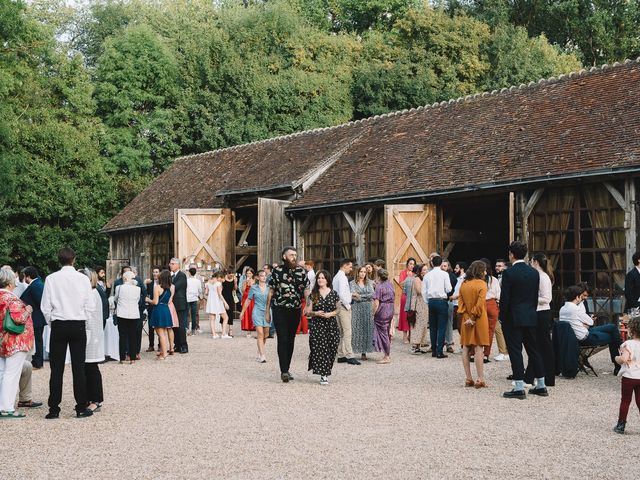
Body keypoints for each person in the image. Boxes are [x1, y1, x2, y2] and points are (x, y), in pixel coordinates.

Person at [41, 247, 95, 418]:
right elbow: (90, 305)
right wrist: (83, 319)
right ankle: (80, 406)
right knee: (79, 367)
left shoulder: (51, 279)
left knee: (56, 368)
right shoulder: (83, 279)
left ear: (59, 260)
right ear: (74, 259)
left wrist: (53, 321)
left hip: (59, 324)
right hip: (77, 323)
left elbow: (45, 306)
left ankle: (54, 409)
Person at [500, 241, 547, 399]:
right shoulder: (534, 273)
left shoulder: (509, 273)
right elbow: (534, 297)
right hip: (530, 315)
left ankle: (519, 386)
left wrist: (502, 317)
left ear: (511, 254)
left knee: (515, 351)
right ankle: (541, 384)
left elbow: (505, 298)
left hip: (513, 317)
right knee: (534, 350)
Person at [265, 247, 310, 383]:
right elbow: (271, 291)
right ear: (284, 256)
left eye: (295, 255)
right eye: (291, 255)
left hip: (295, 309)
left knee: (291, 339)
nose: (294, 257)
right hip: (279, 309)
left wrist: (308, 305)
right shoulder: (277, 271)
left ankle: (287, 368)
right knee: (282, 338)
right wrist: (267, 311)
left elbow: (306, 289)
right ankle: (283, 370)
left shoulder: (302, 271)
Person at [559, 285, 622, 374]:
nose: (582, 299)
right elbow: (590, 322)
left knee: (612, 327)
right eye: (581, 296)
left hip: (577, 335)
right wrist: (587, 321)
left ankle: (621, 358)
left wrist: (583, 322)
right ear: (577, 297)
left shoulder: (562, 309)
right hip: (585, 337)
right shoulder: (575, 309)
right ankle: (621, 358)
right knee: (613, 336)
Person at [0, 268, 34, 418]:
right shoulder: (11, 298)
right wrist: (28, 310)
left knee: (3, 373)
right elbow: (18, 319)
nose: (15, 279)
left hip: (3, 340)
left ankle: (2, 405)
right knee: (12, 374)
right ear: (8, 282)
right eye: (13, 277)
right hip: (16, 341)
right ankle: (7, 408)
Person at [524, 253, 555, 386]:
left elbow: (547, 298)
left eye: (531, 262)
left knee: (543, 345)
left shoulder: (543, 277)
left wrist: (530, 299)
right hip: (538, 312)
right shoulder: (539, 276)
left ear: (536, 262)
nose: (531, 264)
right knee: (536, 345)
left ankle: (547, 377)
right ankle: (531, 376)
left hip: (542, 313)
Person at [457, 261, 489, 389]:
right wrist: (473, 317)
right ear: (480, 271)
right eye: (484, 270)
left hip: (465, 317)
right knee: (478, 348)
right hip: (479, 318)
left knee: (465, 347)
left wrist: (467, 316)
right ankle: (480, 378)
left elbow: (460, 303)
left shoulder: (464, 284)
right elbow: (480, 304)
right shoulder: (482, 284)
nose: (486, 272)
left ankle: (468, 378)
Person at [305, 271, 340, 385]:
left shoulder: (334, 294)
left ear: (327, 280)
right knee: (321, 349)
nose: (320, 280)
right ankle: (324, 374)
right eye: (319, 278)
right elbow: (307, 312)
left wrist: (330, 314)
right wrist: (316, 313)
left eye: (323, 278)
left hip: (331, 325)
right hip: (317, 325)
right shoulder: (313, 294)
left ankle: (326, 369)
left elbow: (338, 309)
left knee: (332, 349)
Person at [81, 269, 104, 412]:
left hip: (92, 335)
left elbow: (88, 316)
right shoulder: (89, 293)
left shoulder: (93, 294)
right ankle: (88, 397)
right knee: (85, 368)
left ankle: (96, 400)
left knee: (91, 367)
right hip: (87, 334)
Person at [613, 316, 640, 434]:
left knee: (625, 400)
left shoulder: (628, 344)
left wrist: (616, 358)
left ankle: (621, 425)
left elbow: (624, 359)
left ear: (631, 330)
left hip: (629, 376)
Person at [423, 256, 452, 358]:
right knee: (441, 327)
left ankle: (434, 350)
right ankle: (439, 351)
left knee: (433, 327)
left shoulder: (427, 275)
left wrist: (427, 301)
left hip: (431, 301)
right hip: (441, 301)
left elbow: (424, 291)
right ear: (440, 264)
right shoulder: (444, 274)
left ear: (432, 263)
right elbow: (448, 289)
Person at [333, 259, 360, 366]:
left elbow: (339, 292)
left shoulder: (336, 277)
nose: (351, 269)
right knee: (347, 331)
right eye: (350, 267)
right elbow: (343, 294)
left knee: (341, 332)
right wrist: (348, 305)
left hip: (337, 305)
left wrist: (351, 294)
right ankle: (349, 355)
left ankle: (340, 355)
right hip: (343, 306)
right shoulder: (342, 277)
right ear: (345, 266)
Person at [240, 270, 271, 363]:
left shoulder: (270, 288)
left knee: (266, 334)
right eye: (262, 276)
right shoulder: (253, 288)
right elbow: (248, 300)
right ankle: (262, 355)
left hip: (267, 312)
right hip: (257, 311)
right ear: (257, 277)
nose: (264, 277)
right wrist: (242, 312)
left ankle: (259, 351)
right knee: (260, 334)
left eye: (265, 276)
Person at [20, 266, 45, 369]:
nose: (24, 278)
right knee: (38, 340)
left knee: (38, 340)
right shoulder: (36, 284)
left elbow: (40, 302)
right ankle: (37, 360)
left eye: (25, 276)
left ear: (28, 276)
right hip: (37, 317)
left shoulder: (35, 285)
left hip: (37, 318)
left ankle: (38, 362)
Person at [114, 271, 141, 365]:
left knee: (122, 336)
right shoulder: (138, 289)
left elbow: (115, 298)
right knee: (133, 336)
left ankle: (122, 357)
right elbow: (137, 300)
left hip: (122, 314)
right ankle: (132, 358)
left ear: (125, 278)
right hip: (134, 314)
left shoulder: (119, 287)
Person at [146, 270, 174, 360]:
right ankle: (163, 351)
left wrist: (147, 300)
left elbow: (155, 302)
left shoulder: (157, 287)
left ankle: (164, 353)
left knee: (160, 334)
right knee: (164, 333)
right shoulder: (170, 287)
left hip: (158, 310)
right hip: (166, 309)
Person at [350, 265, 375, 360]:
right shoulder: (352, 283)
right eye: (361, 272)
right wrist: (364, 297)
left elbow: (372, 294)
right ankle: (353, 350)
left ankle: (364, 352)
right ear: (358, 272)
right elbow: (353, 295)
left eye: (364, 272)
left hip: (367, 308)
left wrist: (360, 297)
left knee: (366, 328)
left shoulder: (369, 282)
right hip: (356, 308)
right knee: (356, 328)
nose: (363, 274)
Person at [480, 258, 501, 364]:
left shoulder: (477, 280)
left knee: (478, 329)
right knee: (490, 331)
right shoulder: (494, 280)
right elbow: (498, 295)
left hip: (481, 304)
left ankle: (474, 353)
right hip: (492, 304)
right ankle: (486, 355)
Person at [372, 269, 394, 364]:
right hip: (390, 308)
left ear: (379, 277)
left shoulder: (379, 287)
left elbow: (376, 303)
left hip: (383, 309)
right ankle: (387, 354)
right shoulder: (390, 284)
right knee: (386, 332)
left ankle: (387, 355)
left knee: (383, 333)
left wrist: (373, 313)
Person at [168, 258, 188, 354]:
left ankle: (184, 346)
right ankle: (177, 345)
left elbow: (175, 287)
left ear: (178, 265)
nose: (170, 265)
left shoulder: (182, 276)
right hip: (172, 304)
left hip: (180, 304)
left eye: (172, 264)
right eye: (170, 263)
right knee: (174, 326)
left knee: (181, 326)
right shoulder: (171, 276)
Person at [409, 264, 429, 355]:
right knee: (418, 324)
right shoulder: (417, 279)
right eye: (424, 270)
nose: (426, 271)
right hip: (418, 303)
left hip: (424, 303)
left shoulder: (425, 279)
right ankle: (414, 346)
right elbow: (419, 291)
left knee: (424, 323)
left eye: (427, 270)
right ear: (420, 271)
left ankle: (419, 345)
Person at [493, 259, 510, 362]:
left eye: (499, 266)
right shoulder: (498, 278)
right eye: (496, 266)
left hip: (502, 305)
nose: (497, 267)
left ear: (505, 267)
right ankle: (505, 351)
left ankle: (503, 352)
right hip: (501, 305)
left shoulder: (505, 278)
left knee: (498, 328)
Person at [206, 271, 230, 339]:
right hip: (218, 302)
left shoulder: (208, 283)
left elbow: (206, 293)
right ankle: (223, 334)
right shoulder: (218, 283)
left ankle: (214, 334)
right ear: (220, 277)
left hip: (211, 302)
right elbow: (220, 294)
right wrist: (225, 303)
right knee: (226, 318)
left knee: (212, 319)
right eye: (223, 278)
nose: (223, 280)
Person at [397, 258, 416, 344]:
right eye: (410, 264)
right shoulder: (403, 273)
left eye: (413, 264)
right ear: (407, 264)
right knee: (405, 316)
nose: (412, 265)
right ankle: (405, 336)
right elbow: (401, 284)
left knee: (412, 316)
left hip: (413, 296)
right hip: (405, 296)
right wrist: (408, 278)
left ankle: (411, 336)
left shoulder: (416, 274)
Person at [442, 259, 457, 353]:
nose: (443, 268)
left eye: (445, 266)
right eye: (442, 266)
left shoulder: (452, 276)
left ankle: (449, 343)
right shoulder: (437, 276)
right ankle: (437, 343)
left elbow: (455, 288)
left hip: (448, 301)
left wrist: (452, 297)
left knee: (448, 323)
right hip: (439, 301)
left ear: (448, 267)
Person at [144, 267, 160, 351]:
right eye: (153, 272)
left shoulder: (162, 284)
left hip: (159, 307)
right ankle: (151, 345)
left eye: (156, 272)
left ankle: (160, 345)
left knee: (160, 326)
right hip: (151, 307)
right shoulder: (149, 283)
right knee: (151, 327)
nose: (154, 274)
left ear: (160, 273)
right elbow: (145, 294)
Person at [186, 267, 203, 336]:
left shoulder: (186, 280)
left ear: (189, 273)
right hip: (194, 299)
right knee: (194, 315)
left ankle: (187, 328)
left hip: (187, 298)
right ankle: (193, 330)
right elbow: (200, 290)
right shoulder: (198, 281)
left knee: (187, 314)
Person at [240, 268, 256, 338]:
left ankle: (254, 327)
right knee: (246, 313)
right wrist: (245, 283)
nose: (248, 274)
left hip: (252, 298)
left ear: (252, 274)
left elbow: (255, 289)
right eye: (247, 273)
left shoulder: (255, 281)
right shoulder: (244, 281)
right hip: (245, 297)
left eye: (249, 273)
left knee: (252, 313)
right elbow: (243, 291)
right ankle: (248, 330)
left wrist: (251, 283)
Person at [222, 269, 238, 337]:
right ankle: (223, 330)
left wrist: (235, 282)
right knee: (223, 313)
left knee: (230, 314)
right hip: (224, 298)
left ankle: (230, 331)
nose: (231, 276)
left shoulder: (234, 279)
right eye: (230, 275)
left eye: (232, 275)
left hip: (231, 298)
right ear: (227, 274)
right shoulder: (223, 279)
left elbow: (235, 289)